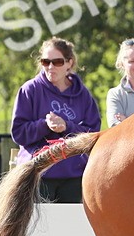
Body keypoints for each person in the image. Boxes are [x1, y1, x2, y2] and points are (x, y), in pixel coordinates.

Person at [10, 37, 101, 203]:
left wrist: (67, 126)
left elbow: (93, 134)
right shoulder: (29, 90)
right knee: (39, 227)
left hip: (74, 174)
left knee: (70, 226)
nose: (51, 67)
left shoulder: (83, 95)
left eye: (57, 62)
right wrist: (45, 125)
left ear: (69, 63)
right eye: (46, 62)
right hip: (38, 172)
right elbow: (18, 133)